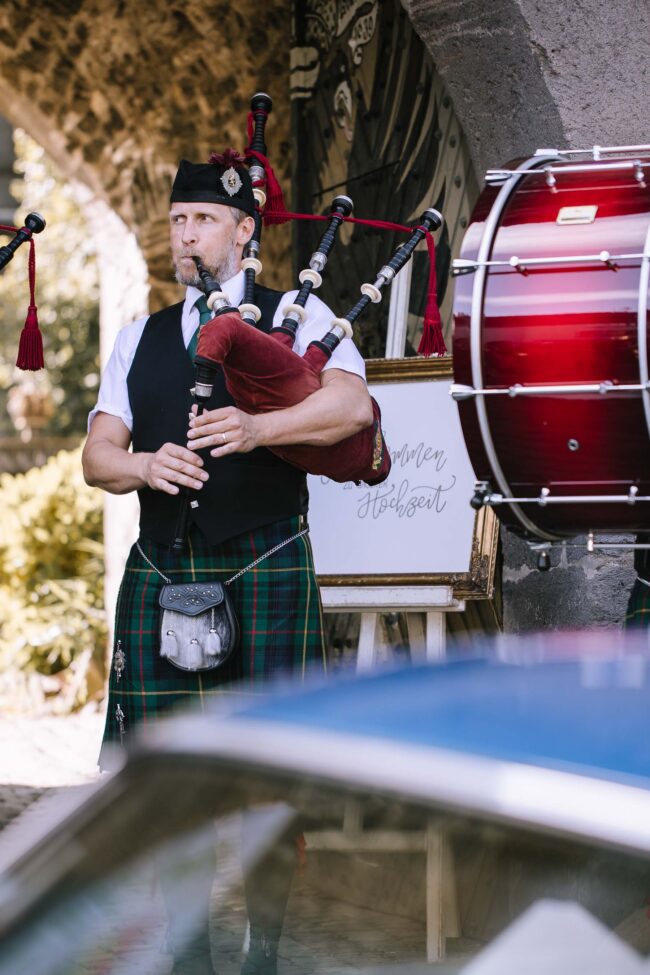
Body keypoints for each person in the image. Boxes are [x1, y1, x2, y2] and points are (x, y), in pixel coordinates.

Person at [82, 151, 373, 974]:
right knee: (173, 781)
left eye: (203, 220)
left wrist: (257, 429)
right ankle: (187, 953)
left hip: (266, 557)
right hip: (164, 568)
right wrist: (143, 465)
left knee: (269, 776)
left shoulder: (299, 316)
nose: (185, 235)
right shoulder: (139, 338)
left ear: (245, 232)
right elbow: (97, 454)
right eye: (177, 220)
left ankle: (263, 951)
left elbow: (352, 406)